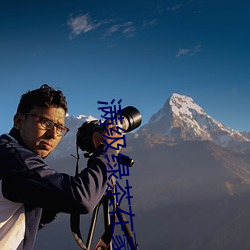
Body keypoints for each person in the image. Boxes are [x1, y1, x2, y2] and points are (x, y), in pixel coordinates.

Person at [0, 84, 120, 250]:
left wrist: (54, 197)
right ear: (19, 121)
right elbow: (83, 199)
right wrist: (108, 149)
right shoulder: (15, 158)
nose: (52, 134)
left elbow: (21, 223)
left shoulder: (9, 153)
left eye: (59, 128)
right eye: (45, 122)